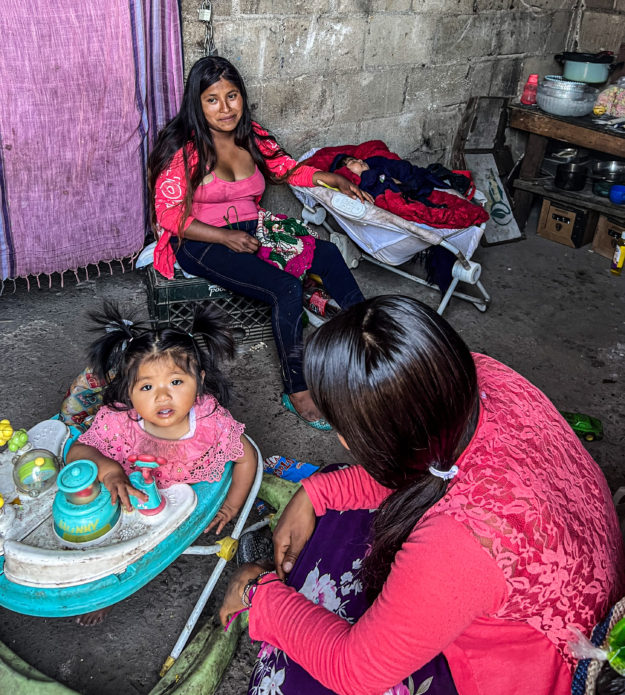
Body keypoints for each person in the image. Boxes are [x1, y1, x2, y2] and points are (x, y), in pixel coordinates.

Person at [220, 295, 625, 695]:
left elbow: (355, 671)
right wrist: (317, 491)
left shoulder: (459, 542)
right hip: (573, 589)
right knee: (340, 499)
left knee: (294, 674)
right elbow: (425, 464)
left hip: (538, 674)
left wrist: (258, 594)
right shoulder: (487, 375)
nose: (343, 441)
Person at [148, 56, 372, 430]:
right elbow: (170, 216)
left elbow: (286, 169)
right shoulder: (184, 150)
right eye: (212, 99)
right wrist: (225, 236)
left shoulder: (251, 135)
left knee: (329, 255)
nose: (225, 108)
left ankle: (370, 342)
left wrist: (329, 178)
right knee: (286, 288)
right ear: (196, 104)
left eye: (232, 96)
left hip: (254, 227)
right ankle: (297, 389)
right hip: (202, 240)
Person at [66, 302, 257, 625]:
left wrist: (231, 507)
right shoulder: (119, 422)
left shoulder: (210, 421)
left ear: (199, 380)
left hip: (177, 497)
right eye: (147, 387)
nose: (163, 397)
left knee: (151, 547)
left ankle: (116, 585)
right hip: (127, 496)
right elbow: (77, 452)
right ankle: (108, 589)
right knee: (102, 540)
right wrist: (109, 469)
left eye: (176, 382)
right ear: (129, 391)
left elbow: (246, 458)